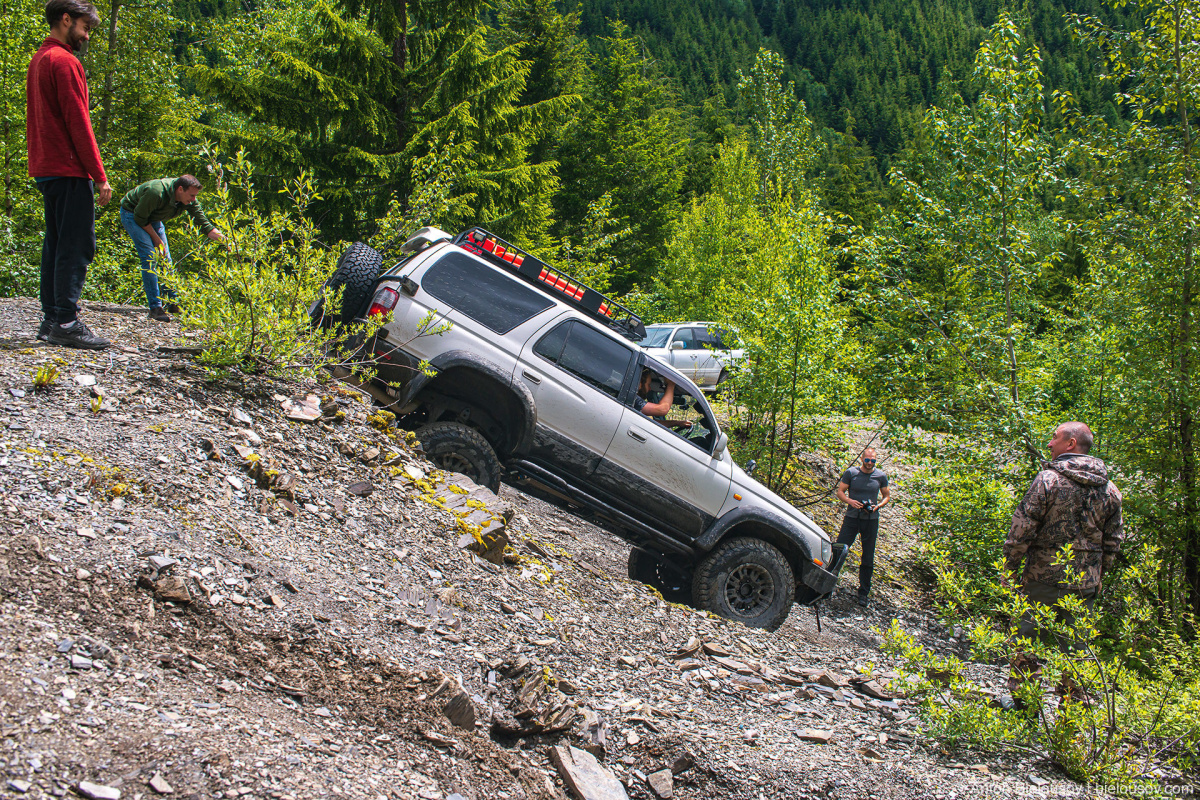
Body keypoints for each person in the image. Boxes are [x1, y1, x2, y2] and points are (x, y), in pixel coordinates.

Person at [1003, 421, 1123, 705]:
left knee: (1028, 641)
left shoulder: (1048, 480)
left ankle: (1024, 705)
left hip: (1041, 579)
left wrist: (1009, 567)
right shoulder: (1111, 490)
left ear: (1070, 444)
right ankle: (1072, 712)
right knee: (1076, 647)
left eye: (1054, 438)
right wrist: (1098, 575)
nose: (1049, 444)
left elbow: (1023, 527)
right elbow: (1113, 541)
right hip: (1084, 585)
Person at [27, 0, 113, 349]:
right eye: (85, 27)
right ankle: (65, 320)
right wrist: (99, 174)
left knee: (56, 243)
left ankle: (51, 319)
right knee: (77, 244)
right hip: (67, 165)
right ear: (66, 20)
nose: (86, 35)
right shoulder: (64, 62)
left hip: (46, 166)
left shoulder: (39, 59)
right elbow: (79, 122)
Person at [119, 175, 226, 321]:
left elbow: (205, 225)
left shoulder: (188, 200)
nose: (194, 199)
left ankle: (173, 303)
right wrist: (157, 240)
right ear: (180, 189)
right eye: (192, 195)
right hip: (133, 214)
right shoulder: (156, 192)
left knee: (165, 259)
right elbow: (140, 218)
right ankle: (155, 307)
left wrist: (226, 241)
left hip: (153, 218)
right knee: (151, 257)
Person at [835, 448, 890, 606]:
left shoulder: (880, 476)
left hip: (871, 519)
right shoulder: (851, 473)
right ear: (862, 459)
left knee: (868, 556)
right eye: (867, 460)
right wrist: (850, 501)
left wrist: (878, 505)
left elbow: (886, 495)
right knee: (839, 549)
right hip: (852, 517)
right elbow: (840, 492)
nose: (870, 463)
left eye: (873, 461)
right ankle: (828, 583)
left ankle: (863, 592)